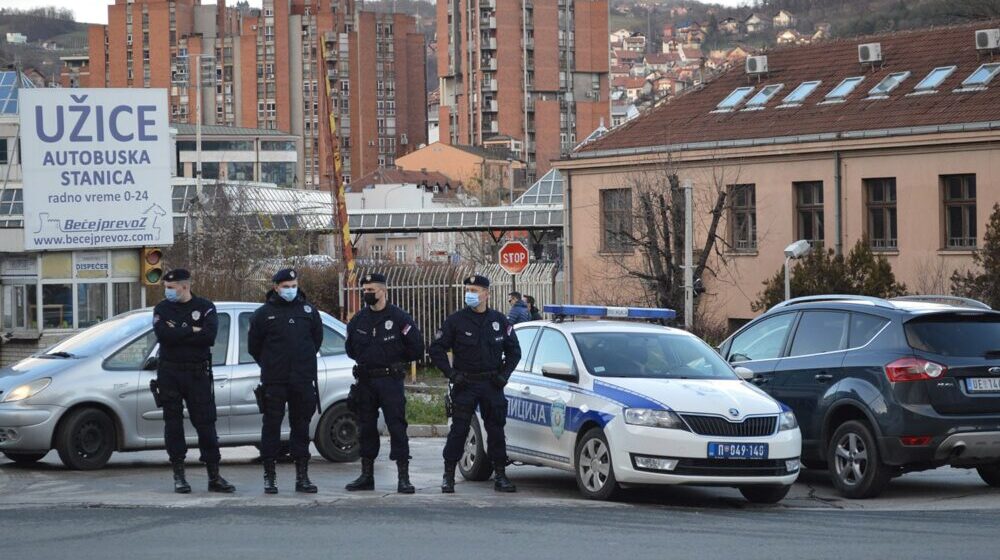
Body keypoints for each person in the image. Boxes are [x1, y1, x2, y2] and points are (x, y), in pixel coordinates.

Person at [430, 274, 521, 493]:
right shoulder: (456, 321)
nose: (470, 294)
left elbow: (514, 352)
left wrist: (504, 376)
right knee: (459, 431)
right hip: (465, 384)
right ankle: (448, 476)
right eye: (468, 290)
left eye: (475, 290)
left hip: (492, 384)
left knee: (496, 431)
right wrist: (451, 374)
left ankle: (500, 475)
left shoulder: (499, 321)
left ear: (486, 293)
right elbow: (436, 349)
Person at [151, 269, 235, 494]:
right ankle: (179, 476)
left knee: (206, 424)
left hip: (197, 374)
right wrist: (191, 330)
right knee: (173, 425)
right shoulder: (162, 309)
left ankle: (214, 476)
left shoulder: (205, 307)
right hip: (170, 373)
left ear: (184, 286)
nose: (167, 291)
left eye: (171, 288)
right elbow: (163, 336)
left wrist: (178, 330)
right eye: (166, 288)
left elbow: (209, 337)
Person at [344, 273, 425, 494]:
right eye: (365, 291)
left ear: (383, 291)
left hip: (390, 380)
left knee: (397, 427)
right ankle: (366, 475)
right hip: (366, 381)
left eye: (371, 290)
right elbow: (350, 348)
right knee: (366, 428)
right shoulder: (359, 320)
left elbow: (416, 348)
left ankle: (403, 477)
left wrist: (397, 362)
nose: (367, 294)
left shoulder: (399, 318)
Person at [248, 268, 324, 494]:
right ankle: (269, 476)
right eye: (286, 286)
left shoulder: (309, 311)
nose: (290, 290)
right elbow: (254, 347)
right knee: (271, 427)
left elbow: (315, 341)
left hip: (301, 379)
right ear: (276, 287)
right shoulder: (263, 314)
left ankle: (302, 476)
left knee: (300, 427)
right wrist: (272, 365)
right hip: (275, 381)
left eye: (293, 285)